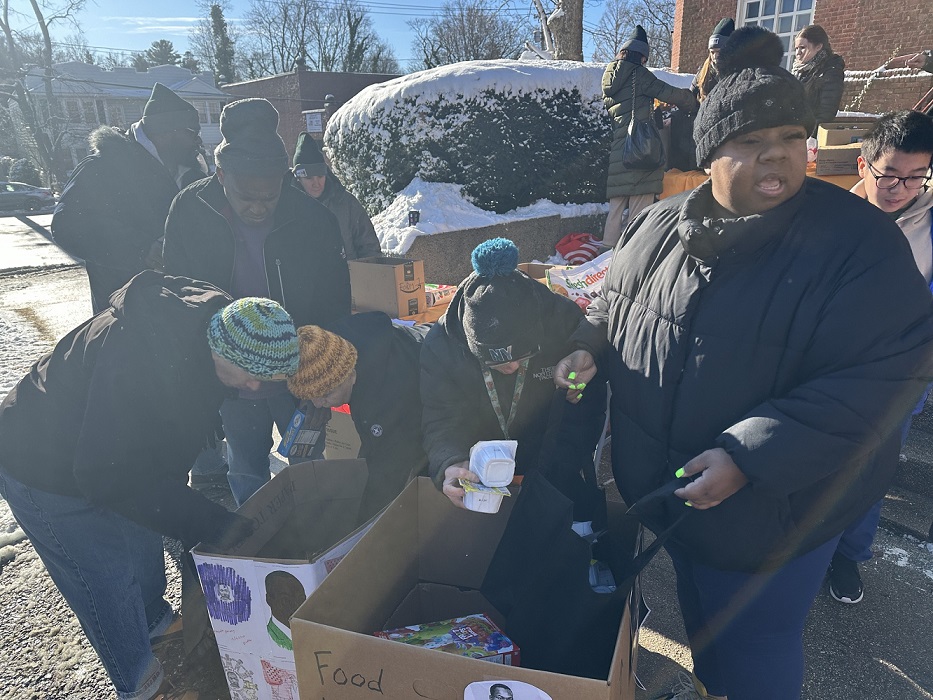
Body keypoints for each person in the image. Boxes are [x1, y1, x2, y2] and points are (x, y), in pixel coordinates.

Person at [557, 27, 933, 700]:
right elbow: (610, 304)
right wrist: (587, 346)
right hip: (675, 494)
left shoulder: (859, 246)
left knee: (753, 647)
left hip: (779, 508)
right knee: (703, 630)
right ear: (708, 155)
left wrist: (747, 457)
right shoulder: (656, 227)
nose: (777, 157)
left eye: (792, 137)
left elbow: (880, 381)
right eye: (749, 142)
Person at [0, 273, 301, 700]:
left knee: (143, 545)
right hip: (42, 463)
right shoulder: (140, 361)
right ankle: (141, 686)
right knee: (105, 581)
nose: (255, 387)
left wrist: (186, 511)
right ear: (216, 350)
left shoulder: (224, 333)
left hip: (110, 454)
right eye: (249, 376)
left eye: (264, 379)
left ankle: (156, 622)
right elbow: (105, 474)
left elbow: (160, 445)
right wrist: (206, 522)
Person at [162, 98, 351, 506]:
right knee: (245, 467)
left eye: (271, 195)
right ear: (220, 173)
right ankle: (257, 537)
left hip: (297, 371)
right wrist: (197, 378)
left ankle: (310, 539)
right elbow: (178, 299)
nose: (259, 206)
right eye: (246, 195)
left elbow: (335, 298)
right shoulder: (189, 210)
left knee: (308, 463)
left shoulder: (314, 219)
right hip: (229, 375)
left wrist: (321, 366)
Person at [420, 238, 607, 524]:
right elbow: (440, 418)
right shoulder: (442, 345)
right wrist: (450, 462)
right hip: (481, 474)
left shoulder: (562, 322)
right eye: (494, 363)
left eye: (523, 356)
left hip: (552, 467)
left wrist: (556, 468)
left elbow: (587, 411)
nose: (511, 366)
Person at [827, 110, 933, 604]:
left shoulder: (928, 227)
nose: (899, 188)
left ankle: (850, 557)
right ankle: (808, 552)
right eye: (888, 173)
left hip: (898, 379)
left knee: (871, 474)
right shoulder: (832, 216)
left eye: (915, 177)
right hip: (831, 371)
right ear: (863, 162)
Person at [52, 83, 207, 314]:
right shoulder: (103, 167)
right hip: (125, 313)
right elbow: (68, 225)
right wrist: (142, 248)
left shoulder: (189, 170)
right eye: (191, 133)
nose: (198, 141)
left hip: (181, 308)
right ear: (165, 133)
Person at [287, 313, 430, 522]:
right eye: (311, 397)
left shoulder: (388, 396)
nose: (318, 404)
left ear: (352, 376)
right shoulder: (331, 346)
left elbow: (388, 470)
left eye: (325, 395)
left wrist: (361, 532)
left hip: (450, 388)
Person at [602, 25, 698, 246]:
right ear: (642, 56)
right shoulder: (639, 75)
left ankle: (604, 253)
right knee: (639, 209)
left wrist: (652, 110)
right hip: (640, 150)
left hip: (620, 148)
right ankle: (630, 254)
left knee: (615, 210)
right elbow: (671, 93)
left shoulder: (609, 77)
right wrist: (692, 102)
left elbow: (627, 109)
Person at [291, 131, 382, 259]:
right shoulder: (286, 205)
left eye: (320, 176)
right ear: (298, 179)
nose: (316, 183)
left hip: (347, 276)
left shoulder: (346, 203)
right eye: (309, 178)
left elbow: (369, 247)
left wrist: (366, 275)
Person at [792, 25, 845, 135]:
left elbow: (826, 113)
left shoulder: (830, 71)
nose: (798, 53)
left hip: (809, 137)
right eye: (796, 48)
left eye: (803, 47)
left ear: (818, 46)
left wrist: (807, 135)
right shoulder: (799, 71)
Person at [691, 18, 735, 102]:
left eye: (719, 51)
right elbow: (690, 101)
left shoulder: (739, 73)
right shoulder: (702, 74)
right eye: (712, 52)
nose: (715, 56)